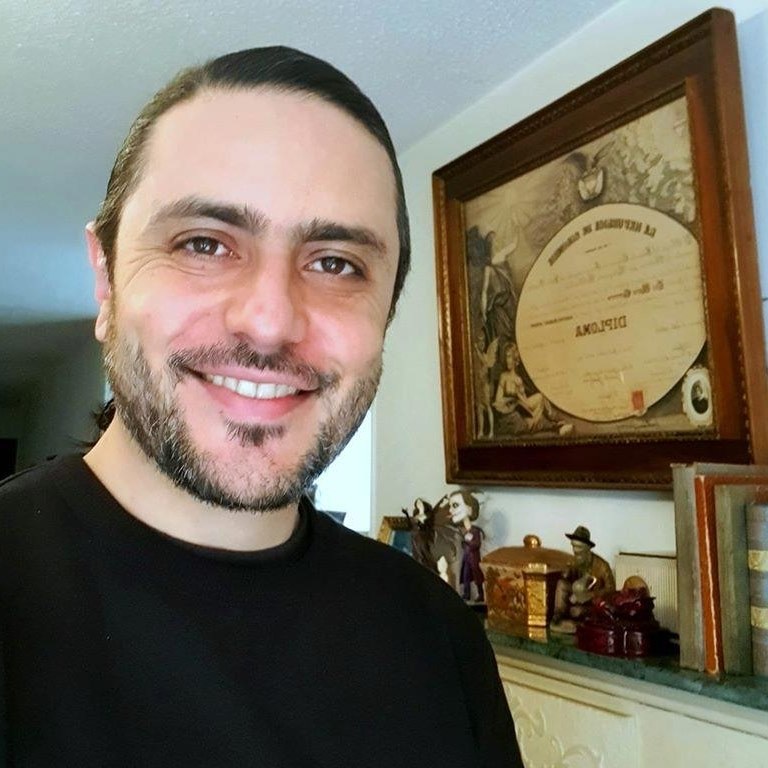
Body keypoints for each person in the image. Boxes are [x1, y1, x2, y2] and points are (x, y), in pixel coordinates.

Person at [0, 47, 523, 767]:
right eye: (204, 244)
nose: (271, 322)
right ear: (106, 280)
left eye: (336, 263)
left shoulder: (441, 635)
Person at [550, 525, 616, 634]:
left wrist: (590, 595)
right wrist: (567, 573)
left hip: (592, 602)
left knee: (577, 612)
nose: (575, 551)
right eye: (573, 546)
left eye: (579, 547)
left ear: (587, 548)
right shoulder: (575, 561)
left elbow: (611, 589)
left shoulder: (602, 566)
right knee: (561, 584)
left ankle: (580, 625)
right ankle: (558, 616)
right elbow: (567, 582)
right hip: (576, 599)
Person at [445, 489, 486, 603]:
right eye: (450, 506)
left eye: (455, 505)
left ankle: (480, 594)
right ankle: (467, 594)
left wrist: (468, 541)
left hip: (474, 559)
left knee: (477, 577)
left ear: (469, 509)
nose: (450, 510)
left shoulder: (475, 531)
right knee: (465, 576)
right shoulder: (463, 530)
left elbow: (476, 544)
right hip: (466, 558)